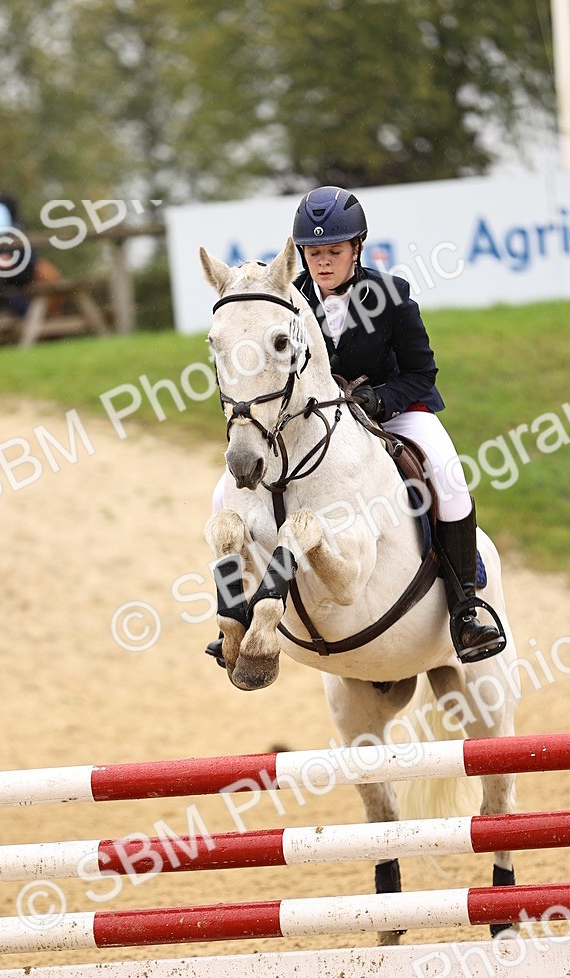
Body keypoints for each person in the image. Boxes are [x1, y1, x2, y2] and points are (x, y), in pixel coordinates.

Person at [206, 185, 505, 667]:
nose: (323, 262)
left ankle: (466, 606)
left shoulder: (391, 295)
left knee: (449, 479)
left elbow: (422, 373)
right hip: (315, 416)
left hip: (393, 408)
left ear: (357, 248)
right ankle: (235, 609)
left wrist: (380, 399)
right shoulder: (286, 299)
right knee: (224, 498)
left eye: (334, 251)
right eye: (314, 253)